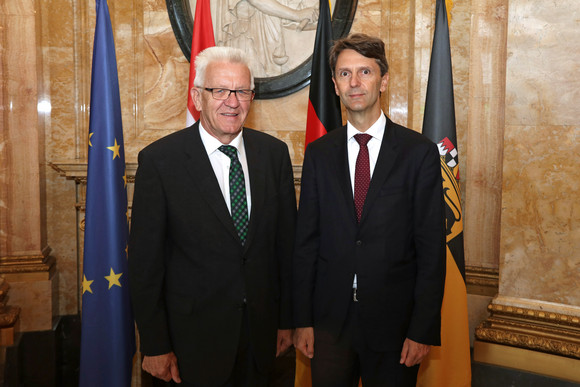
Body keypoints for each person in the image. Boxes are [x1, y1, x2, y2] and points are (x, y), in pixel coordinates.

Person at [128, 46, 297, 386]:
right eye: (219, 90)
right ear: (197, 96)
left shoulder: (274, 155)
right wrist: (155, 344)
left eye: (242, 91)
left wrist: (287, 321)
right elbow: (145, 265)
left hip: (262, 344)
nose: (232, 102)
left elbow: (286, 248)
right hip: (189, 349)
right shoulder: (160, 162)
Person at [292, 33, 446, 386]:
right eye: (345, 74)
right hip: (329, 325)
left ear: (383, 81)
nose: (355, 82)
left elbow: (430, 247)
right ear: (334, 85)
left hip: (395, 325)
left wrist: (422, 330)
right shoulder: (319, 154)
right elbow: (306, 244)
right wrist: (303, 320)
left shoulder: (417, 152)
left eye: (365, 72)